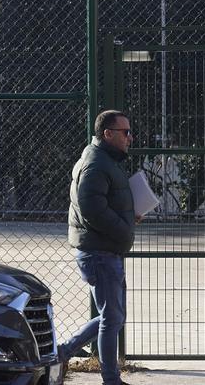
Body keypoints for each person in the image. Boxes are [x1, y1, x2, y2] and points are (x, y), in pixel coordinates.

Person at [58, 109, 138, 385]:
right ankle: (110, 379)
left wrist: (129, 216)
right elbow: (92, 207)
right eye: (125, 132)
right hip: (100, 252)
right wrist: (123, 227)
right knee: (112, 318)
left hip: (103, 249)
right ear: (108, 134)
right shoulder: (96, 164)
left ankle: (63, 351)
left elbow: (102, 204)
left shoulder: (103, 160)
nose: (130, 137)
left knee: (113, 316)